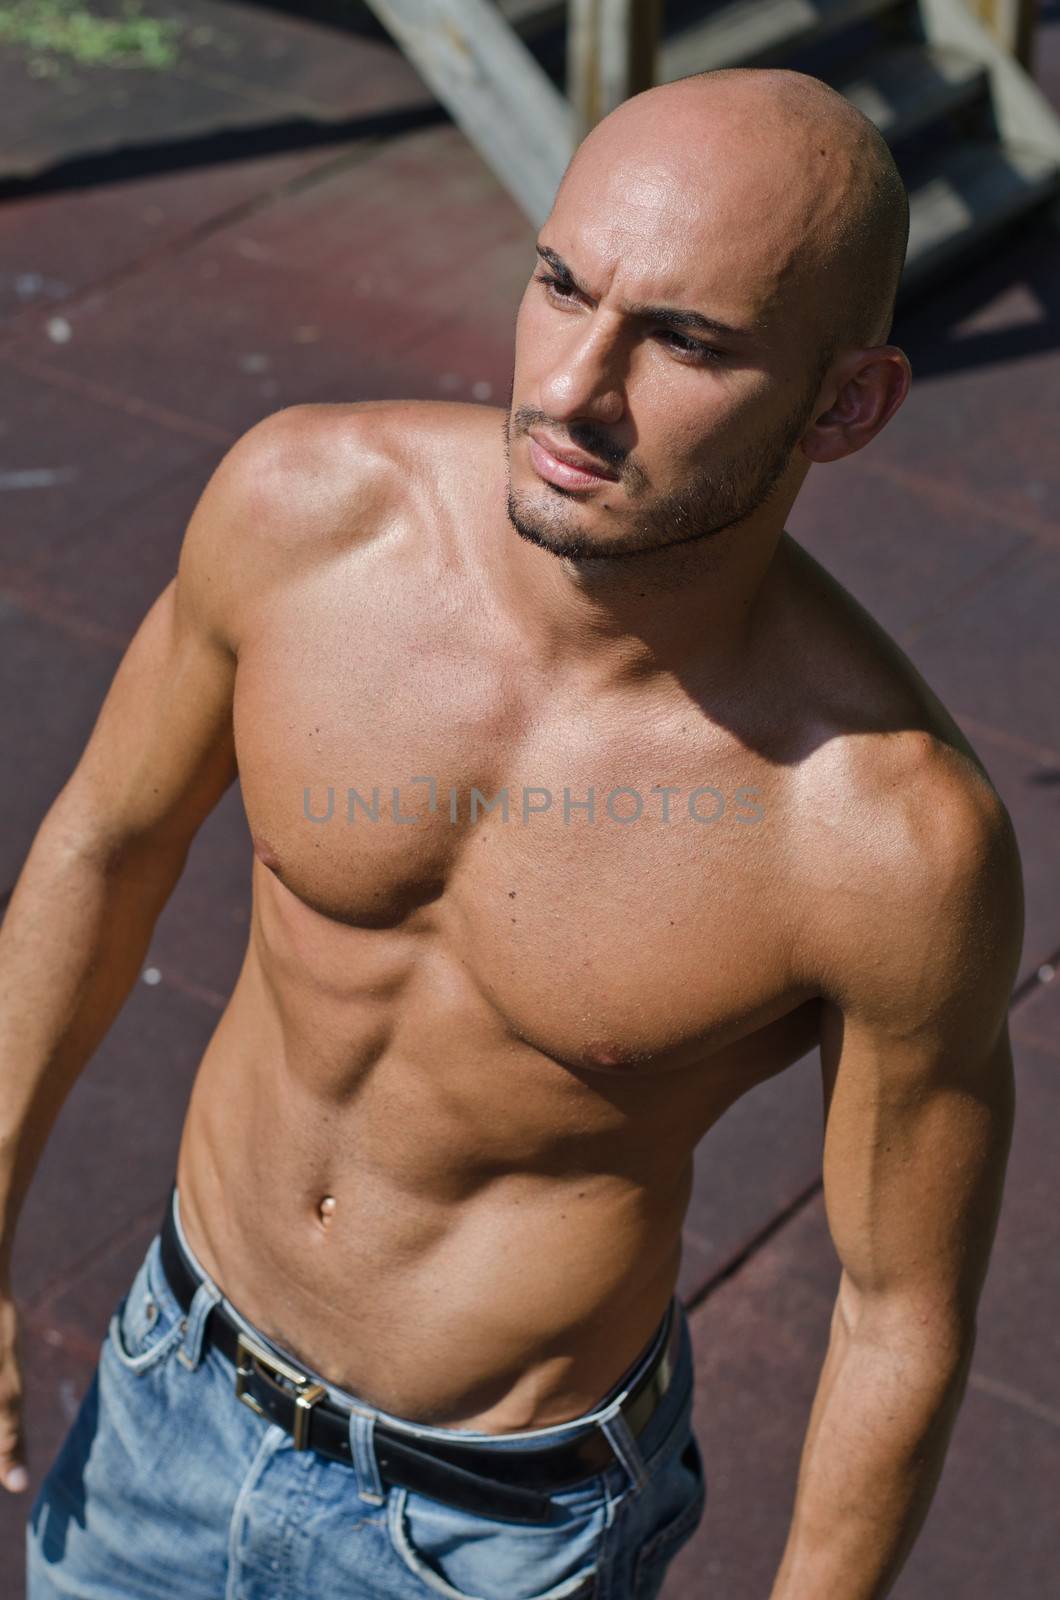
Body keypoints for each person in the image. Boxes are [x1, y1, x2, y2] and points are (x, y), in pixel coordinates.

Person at [1, 64, 1021, 1600]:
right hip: (168, 1384)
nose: (572, 388)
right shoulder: (304, 514)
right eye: (561, 285)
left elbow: (898, 1316)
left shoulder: (884, 837)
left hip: (491, 1537)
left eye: (684, 339)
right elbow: (103, 846)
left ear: (847, 402)